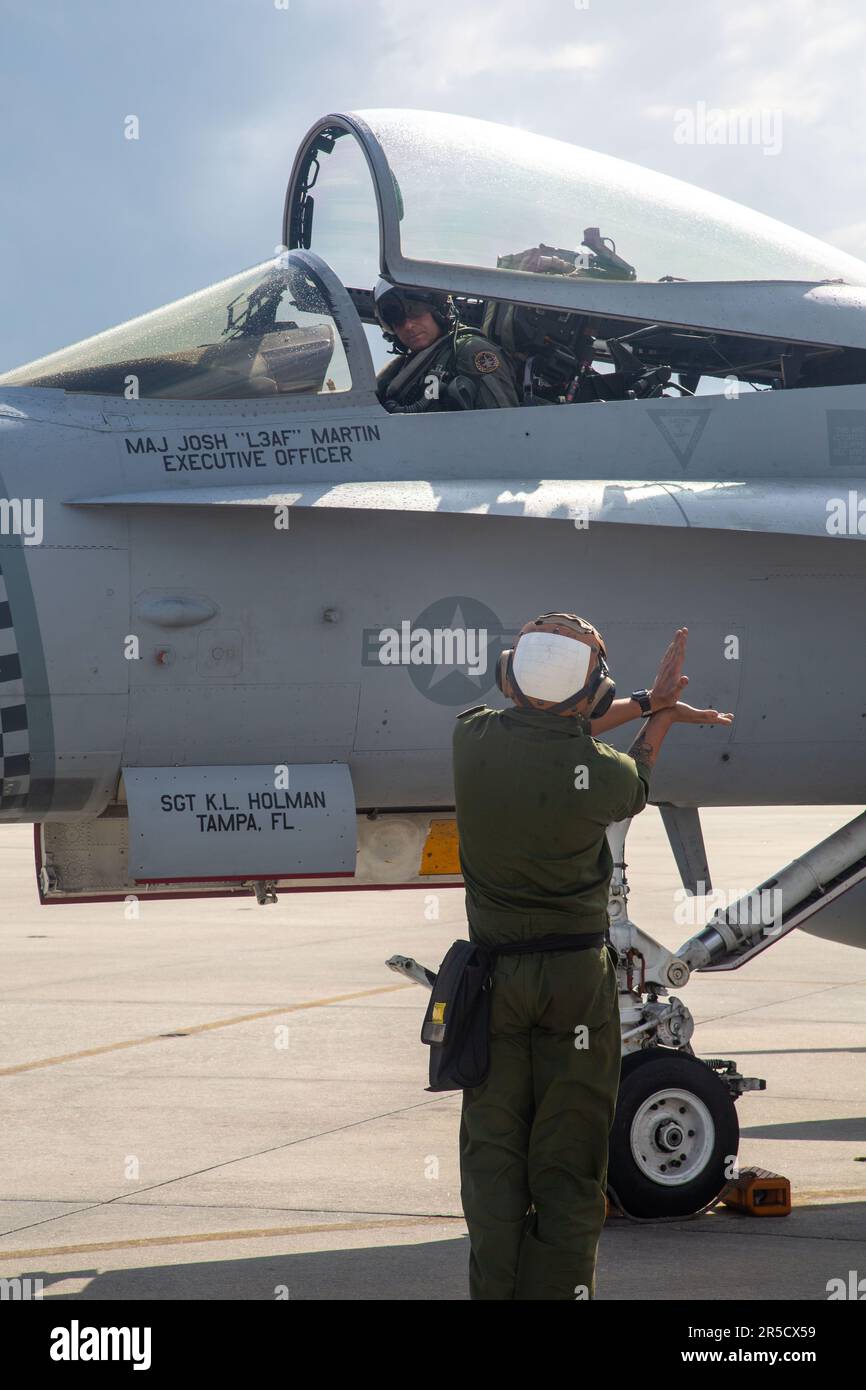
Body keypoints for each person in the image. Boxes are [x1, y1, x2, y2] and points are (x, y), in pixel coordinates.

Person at [451, 615, 734, 1300]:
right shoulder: (598, 774)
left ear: (508, 676)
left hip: (493, 983)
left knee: (494, 1160)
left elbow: (550, 729)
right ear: (594, 693)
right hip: (575, 983)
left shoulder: (473, 741)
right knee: (570, 1159)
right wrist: (659, 711)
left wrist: (642, 701)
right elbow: (632, 775)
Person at [373, 279, 519, 413]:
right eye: (397, 320)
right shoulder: (399, 372)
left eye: (416, 310)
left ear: (439, 308)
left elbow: (504, 426)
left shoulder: (471, 351)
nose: (408, 326)